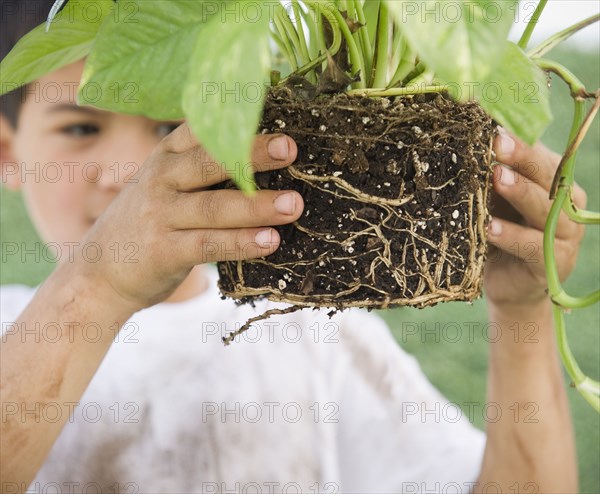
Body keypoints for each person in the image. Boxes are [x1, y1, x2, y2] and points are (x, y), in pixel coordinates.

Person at [0, 1, 584, 493]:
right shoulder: (13, 334)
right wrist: (97, 284)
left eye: (169, 128)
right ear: (7, 152)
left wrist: (520, 311)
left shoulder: (317, 333)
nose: (132, 171)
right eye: (80, 128)